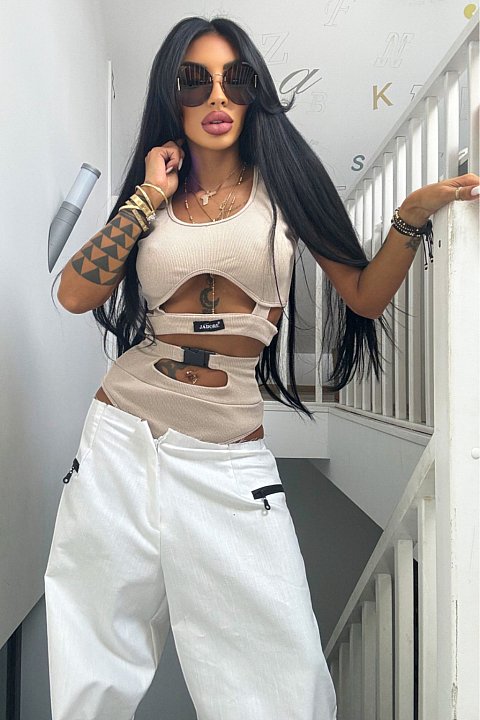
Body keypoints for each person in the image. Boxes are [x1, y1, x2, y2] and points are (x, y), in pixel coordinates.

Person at [44, 15, 479, 720]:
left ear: (254, 93)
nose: (217, 96)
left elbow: (363, 295)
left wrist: (409, 216)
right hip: (122, 436)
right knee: (92, 655)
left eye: (235, 79)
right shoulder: (155, 197)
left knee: (282, 677)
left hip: (227, 457)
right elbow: (73, 294)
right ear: (173, 95)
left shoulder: (286, 186)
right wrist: (147, 196)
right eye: (196, 81)